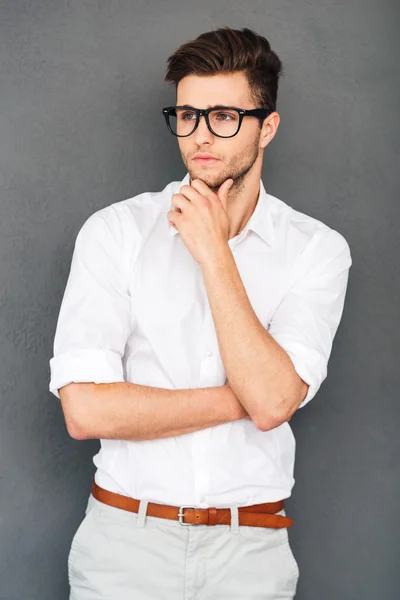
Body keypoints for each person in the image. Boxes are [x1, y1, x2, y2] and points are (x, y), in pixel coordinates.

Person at [49, 25, 352, 600]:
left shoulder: (317, 249)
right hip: (124, 546)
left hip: (251, 552)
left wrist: (214, 253)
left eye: (224, 117)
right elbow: (85, 411)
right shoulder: (116, 232)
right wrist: (248, 399)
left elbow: (274, 402)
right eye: (187, 116)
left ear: (268, 127)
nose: (199, 136)